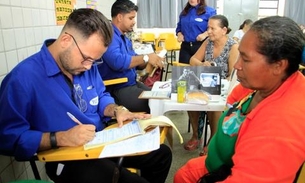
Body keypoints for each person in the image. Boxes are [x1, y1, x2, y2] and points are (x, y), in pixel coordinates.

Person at [0, 8, 172, 183]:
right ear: (66, 40)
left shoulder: (85, 66)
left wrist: (116, 110)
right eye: (86, 58)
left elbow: (101, 95)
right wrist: (59, 137)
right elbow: (7, 138)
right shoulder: (23, 79)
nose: (89, 67)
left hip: (98, 141)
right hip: (67, 156)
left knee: (161, 155)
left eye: (94, 61)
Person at [174, 16, 305, 183]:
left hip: (227, 172)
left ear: (278, 65)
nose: (236, 66)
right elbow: (234, 98)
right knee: (182, 175)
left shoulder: (283, 123)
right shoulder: (262, 82)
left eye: (246, 59)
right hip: (216, 164)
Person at [184, 15, 239, 154]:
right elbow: (193, 59)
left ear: (224, 30)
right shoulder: (208, 42)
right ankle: (196, 136)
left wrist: (218, 83)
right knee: (191, 99)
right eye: (208, 27)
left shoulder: (233, 46)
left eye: (212, 28)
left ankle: (212, 141)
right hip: (205, 82)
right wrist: (202, 64)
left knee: (214, 106)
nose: (208, 31)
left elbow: (231, 75)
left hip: (222, 86)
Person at [98, 0, 164, 114]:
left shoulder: (124, 38)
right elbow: (117, 62)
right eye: (131, 18)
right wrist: (146, 57)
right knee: (156, 104)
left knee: (162, 98)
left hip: (131, 83)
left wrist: (152, 59)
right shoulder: (110, 36)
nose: (134, 22)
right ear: (119, 17)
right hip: (118, 88)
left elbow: (137, 64)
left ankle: (157, 130)